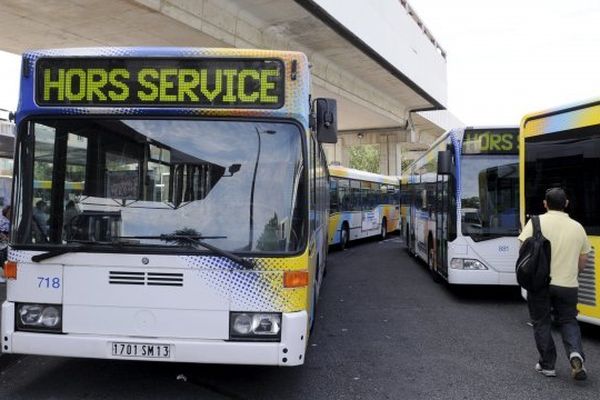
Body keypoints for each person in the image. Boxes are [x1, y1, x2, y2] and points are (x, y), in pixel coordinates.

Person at [518, 188, 591, 380]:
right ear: (566, 203)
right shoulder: (578, 227)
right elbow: (583, 259)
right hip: (568, 285)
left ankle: (547, 364)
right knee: (568, 320)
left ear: (545, 203)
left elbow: (523, 251)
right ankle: (575, 354)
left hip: (540, 284)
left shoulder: (535, 222)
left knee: (542, 322)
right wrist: (572, 273)